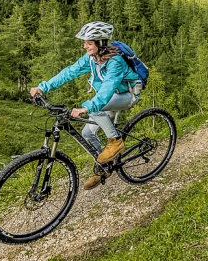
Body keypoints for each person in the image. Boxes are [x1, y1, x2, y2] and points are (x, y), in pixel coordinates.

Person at [29, 21, 140, 190]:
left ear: (100, 42)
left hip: (127, 95)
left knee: (93, 108)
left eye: (89, 42)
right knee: (87, 133)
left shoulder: (115, 62)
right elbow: (69, 72)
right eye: (85, 42)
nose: (84, 46)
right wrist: (43, 87)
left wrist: (87, 108)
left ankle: (116, 141)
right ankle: (102, 168)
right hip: (110, 96)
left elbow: (107, 90)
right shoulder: (91, 59)